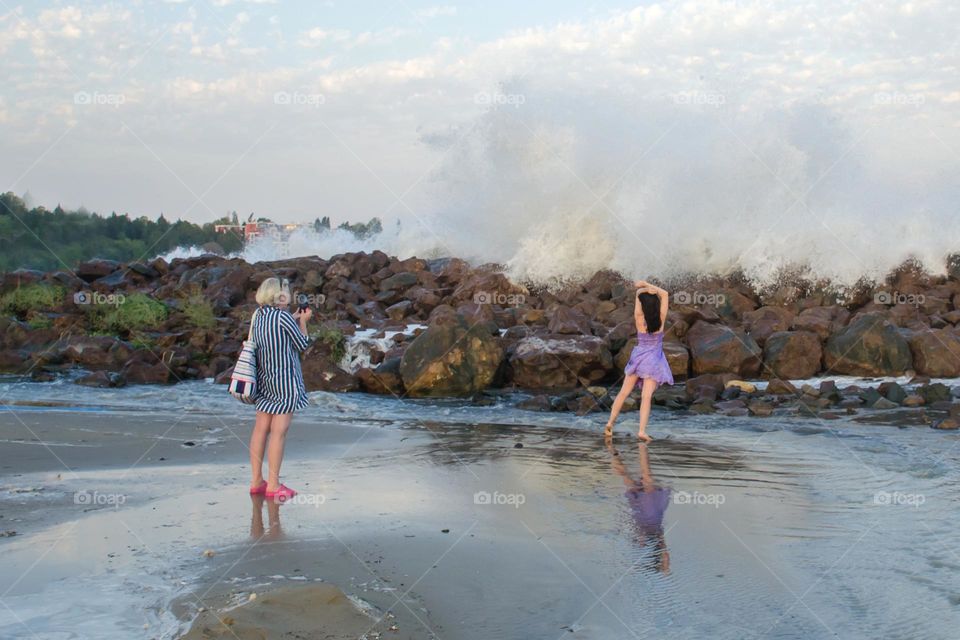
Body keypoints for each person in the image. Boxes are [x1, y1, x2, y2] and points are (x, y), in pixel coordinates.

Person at [247, 277, 312, 502]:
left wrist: (293, 318)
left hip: (263, 379)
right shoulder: (283, 317)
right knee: (279, 432)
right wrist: (303, 322)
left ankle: (257, 481)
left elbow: (270, 338)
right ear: (278, 296)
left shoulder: (259, 316)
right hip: (284, 382)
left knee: (260, 429)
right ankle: (274, 485)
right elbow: (302, 344)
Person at [604, 279, 673, 442]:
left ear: (643, 305)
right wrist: (649, 285)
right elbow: (665, 294)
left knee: (623, 393)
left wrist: (641, 287)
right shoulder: (661, 319)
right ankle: (641, 431)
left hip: (638, 358)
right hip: (653, 361)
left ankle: (609, 423)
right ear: (656, 305)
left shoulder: (639, 318)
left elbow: (637, 294)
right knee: (646, 397)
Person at [606, 436, 671, 574]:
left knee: (646, 476)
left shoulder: (657, 542)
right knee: (627, 478)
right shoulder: (648, 541)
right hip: (642, 516)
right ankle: (610, 448)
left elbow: (665, 554)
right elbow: (661, 551)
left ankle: (642, 446)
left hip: (652, 513)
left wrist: (665, 568)